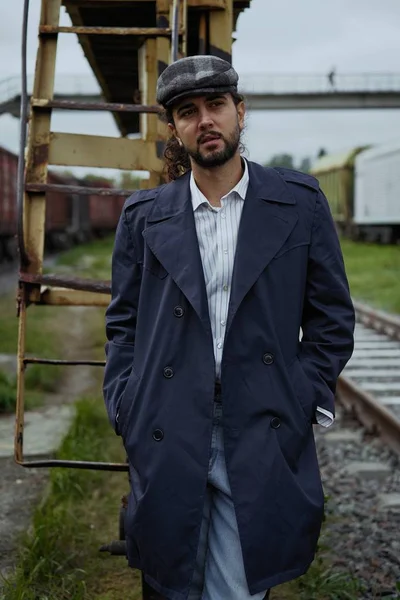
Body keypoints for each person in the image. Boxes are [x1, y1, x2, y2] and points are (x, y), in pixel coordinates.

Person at [103, 55, 355, 600]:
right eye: (188, 112)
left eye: (216, 105)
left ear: (241, 111)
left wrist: (304, 393)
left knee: (236, 588)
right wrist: (124, 401)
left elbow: (331, 318)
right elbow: (122, 325)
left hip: (259, 422)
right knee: (171, 581)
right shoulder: (143, 217)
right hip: (168, 424)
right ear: (175, 129)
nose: (205, 120)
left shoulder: (298, 201)